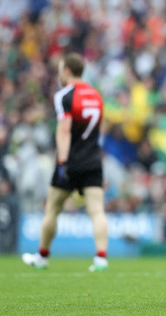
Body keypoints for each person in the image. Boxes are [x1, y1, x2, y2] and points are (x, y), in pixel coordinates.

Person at [22, 52, 109, 272]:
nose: (59, 74)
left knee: (52, 209)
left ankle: (42, 256)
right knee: (97, 211)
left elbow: (64, 131)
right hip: (92, 159)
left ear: (68, 71)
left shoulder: (64, 95)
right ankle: (101, 258)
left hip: (70, 160)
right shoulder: (96, 95)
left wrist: (62, 163)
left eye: (61, 69)